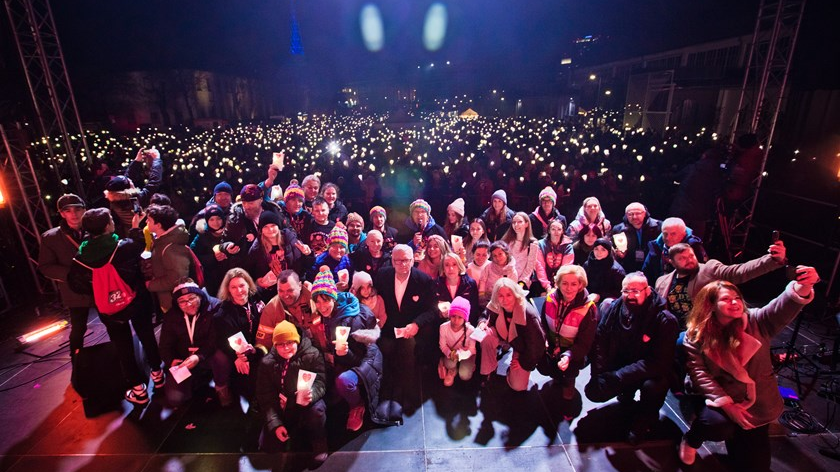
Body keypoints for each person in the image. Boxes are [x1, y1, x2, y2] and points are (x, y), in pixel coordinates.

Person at [678, 267, 819, 469]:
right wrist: (727, 405)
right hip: (719, 396)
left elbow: (782, 306)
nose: (735, 302)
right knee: (717, 426)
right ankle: (691, 439)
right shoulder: (696, 335)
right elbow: (700, 373)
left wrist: (804, 285)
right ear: (711, 305)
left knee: (756, 466)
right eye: (726, 299)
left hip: (756, 401)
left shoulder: (756, 320)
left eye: (737, 297)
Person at [68, 207, 163, 405]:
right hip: (137, 299)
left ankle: (138, 391)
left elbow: (75, 284)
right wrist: (136, 227)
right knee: (146, 335)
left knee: (122, 346)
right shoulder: (123, 246)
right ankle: (158, 377)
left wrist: (99, 291)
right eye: (110, 219)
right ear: (107, 225)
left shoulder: (80, 257)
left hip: (108, 308)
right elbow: (139, 246)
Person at [585, 272, 678, 444]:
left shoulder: (665, 320)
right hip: (622, 363)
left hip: (649, 371)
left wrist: (619, 376)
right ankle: (626, 393)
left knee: (655, 386)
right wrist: (598, 374)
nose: (630, 295)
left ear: (648, 290)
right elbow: (600, 340)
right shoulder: (615, 308)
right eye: (626, 291)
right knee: (594, 391)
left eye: (636, 291)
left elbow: (659, 363)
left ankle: (645, 420)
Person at [309, 268, 384, 431]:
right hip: (339, 360)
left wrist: (345, 353)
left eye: (326, 300)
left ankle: (357, 406)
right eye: (318, 302)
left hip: (366, 360)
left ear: (334, 298)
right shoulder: (324, 316)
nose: (322, 307)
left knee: (344, 382)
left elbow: (362, 358)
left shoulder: (353, 320)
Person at [654, 241, 787, 327]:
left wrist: (771, 260)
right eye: (682, 259)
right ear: (671, 262)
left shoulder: (709, 269)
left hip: (701, 328)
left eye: (691, 256)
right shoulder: (662, 281)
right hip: (671, 329)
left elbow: (739, 272)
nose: (689, 260)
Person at [374, 244, 438, 411]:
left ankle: (405, 393)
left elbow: (432, 310)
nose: (402, 264)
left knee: (408, 353)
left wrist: (416, 324)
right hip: (387, 327)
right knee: (384, 351)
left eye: (406, 260)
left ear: (412, 261)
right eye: (398, 260)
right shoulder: (382, 275)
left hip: (410, 329)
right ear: (392, 261)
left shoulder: (424, 280)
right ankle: (384, 392)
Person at [256, 320, 328, 464]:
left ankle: (318, 440)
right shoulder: (267, 363)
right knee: (268, 447)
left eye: (290, 342)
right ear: (275, 345)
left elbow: (321, 382)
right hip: (283, 407)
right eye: (281, 344)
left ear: (297, 340)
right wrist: (275, 424)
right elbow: (266, 397)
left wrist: (311, 394)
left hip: (307, 405)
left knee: (317, 411)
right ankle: (289, 429)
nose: (286, 348)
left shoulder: (312, 355)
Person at [39, 194, 92, 363]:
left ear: (84, 210)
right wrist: (71, 275)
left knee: (115, 325)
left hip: (101, 286)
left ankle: (124, 359)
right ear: (62, 214)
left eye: (77, 209)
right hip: (75, 291)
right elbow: (45, 267)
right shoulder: (51, 238)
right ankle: (77, 364)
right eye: (68, 210)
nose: (74, 214)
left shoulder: (96, 228)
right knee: (78, 329)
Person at [159, 279, 223, 407]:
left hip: (207, 355)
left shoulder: (215, 307)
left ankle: (222, 386)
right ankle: (194, 382)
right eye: (182, 301)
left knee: (221, 358)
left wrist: (198, 356)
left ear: (199, 295)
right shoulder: (171, 316)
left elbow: (215, 340)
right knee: (175, 399)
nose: (188, 304)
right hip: (184, 360)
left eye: (192, 298)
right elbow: (165, 345)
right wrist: (171, 360)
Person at [537, 265, 597, 400]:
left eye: (574, 284)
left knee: (568, 375)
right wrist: (545, 340)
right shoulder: (550, 298)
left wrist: (569, 355)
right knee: (543, 366)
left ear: (580, 285)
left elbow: (585, 343)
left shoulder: (589, 308)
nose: (568, 288)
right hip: (553, 346)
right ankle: (557, 375)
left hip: (574, 351)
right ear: (558, 283)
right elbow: (543, 324)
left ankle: (568, 383)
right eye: (564, 283)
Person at [476, 278, 546, 391]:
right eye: (501, 296)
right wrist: (482, 323)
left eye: (509, 295)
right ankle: (489, 370)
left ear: (515, 294)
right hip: (502, 335)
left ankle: (512, 371)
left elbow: (537, 345)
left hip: (521, 346)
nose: (505, 300)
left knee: (518, 386)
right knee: (486, 336)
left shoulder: (528, 314)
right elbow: (485, 315)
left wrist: (523, 362)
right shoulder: (495, 304)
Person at [213, 268, 265, 405]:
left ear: (248, 284)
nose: (239, 290)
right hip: (240, 353)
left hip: (259, 346)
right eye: (233, 287)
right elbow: (222, 341)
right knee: (248, 381)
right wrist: (236, 357)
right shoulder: (223, 315)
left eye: (242, 285)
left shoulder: (257, 297)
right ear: (228, 290)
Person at [247, 211, 308, 302]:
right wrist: (258, 282)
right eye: (266, 227)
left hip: (293, 288)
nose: (270, 230)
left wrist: (308, 254)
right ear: (261, 230)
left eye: (273, 226)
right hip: (269, 294)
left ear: (278, 226)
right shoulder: (256, 248)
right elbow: (250, 272)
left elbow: (304, 265)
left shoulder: (290, 240)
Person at [103, 148, 163, 237]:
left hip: (128, 231)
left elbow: (125, 180)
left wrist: (137, 161)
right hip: (144, 233)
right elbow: (154, 182)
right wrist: (157, 159)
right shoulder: (137, 200)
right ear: (127, 190)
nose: (131, 181)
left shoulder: (113, 200)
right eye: (130, 182)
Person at [145, 204, 192, 315]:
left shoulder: (170, 248)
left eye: (149, 220)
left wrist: (150, 285)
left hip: (175, 302)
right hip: (169, 299)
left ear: (158, 225)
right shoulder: (161, 241)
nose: (146, 222)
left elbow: (176, 278)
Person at [255, 270, 316, 353]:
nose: (286, 295)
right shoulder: (271, 309)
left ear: (300, 286)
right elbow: (263, 343)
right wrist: (257, 354)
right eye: (281, 291)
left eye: (290, 290)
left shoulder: (315, 300)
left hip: (319, 351)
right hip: (288, 356)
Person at [224, 184, 286, 265]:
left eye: (251, 203)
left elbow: (287, 232)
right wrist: (226, 246)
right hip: (248, 265)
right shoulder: (235, 218)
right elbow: (225, 240)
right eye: (244, 202)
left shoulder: (274, 212)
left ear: (260, 200)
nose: (246, 206)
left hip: (275, 261)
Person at [642, 217, 707, 283]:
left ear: (683, 234)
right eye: (665, 234)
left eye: (673, 234)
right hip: (660, 287)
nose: (668, 238)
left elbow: (702, 273)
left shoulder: (694, 247)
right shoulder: (655, 247)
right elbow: (646, 273)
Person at [610, 202, 662, 273]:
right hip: (629, 268)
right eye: (630, 214)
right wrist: (617, 254)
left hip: (653, 267)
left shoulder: (659, 226)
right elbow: (613, 249)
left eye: (638, 213)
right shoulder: (618, 229)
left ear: (644, 213)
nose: (634, 217)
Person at [190, 203, 230, 296]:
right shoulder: (202, 236)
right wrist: (213, 258)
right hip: (212, 280)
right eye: (211, 219)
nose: (216, 222)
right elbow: (194, 257)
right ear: (207, 221)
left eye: (218, 218)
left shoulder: (230, 232)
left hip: (230, 276)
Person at [438, 297, 477, 387]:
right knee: (449, 364)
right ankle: (452, 370)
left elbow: (472, 349)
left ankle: (470, 365)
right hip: (452, 351)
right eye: (453, 316)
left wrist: (461, 355)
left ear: (465, 318)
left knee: (465, 375)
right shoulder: (443, 327)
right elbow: (442, 345)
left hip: (466, 353)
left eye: (460, 317)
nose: (456, 321)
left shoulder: (470, 330)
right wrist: (450, 353)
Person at [436, 252, 481, 325]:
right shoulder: (436, 284)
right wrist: (440, 314)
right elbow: (431, 309)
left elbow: (474, 311)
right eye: (447, 265)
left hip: (465, 325)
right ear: (443, 268)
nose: (451, 268)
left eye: (454, 264)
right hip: (443, 325)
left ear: (459, 266)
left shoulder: (470, 284)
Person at [500, 212, 539, 292]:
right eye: (514, 222)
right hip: (506, 280)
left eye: (520, 222)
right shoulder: (507, 241)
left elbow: (530, 268)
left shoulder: (532, 244)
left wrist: (521, 283)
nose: (516, 225)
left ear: (526, 224)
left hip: (521, 283)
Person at [535, 219, 574, 294]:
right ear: (549, 230)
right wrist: (547, 287)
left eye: (559, 229)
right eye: (553, 229)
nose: (556, 232)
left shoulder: (568, 246)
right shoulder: (540, 244)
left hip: (560, 281)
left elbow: (565, 268)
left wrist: (557, 286)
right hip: (542, 281)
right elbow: (540, 267)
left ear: (562, 231)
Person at [478, 240, 518, 306]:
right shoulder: (489, 266)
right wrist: (482, 295)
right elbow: (483, 280)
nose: (498, 258)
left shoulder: (512, 271)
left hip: (504, 300)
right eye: (495, 256)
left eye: (500, 254)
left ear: (506, 253)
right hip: (488, 298)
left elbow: (512, 289)